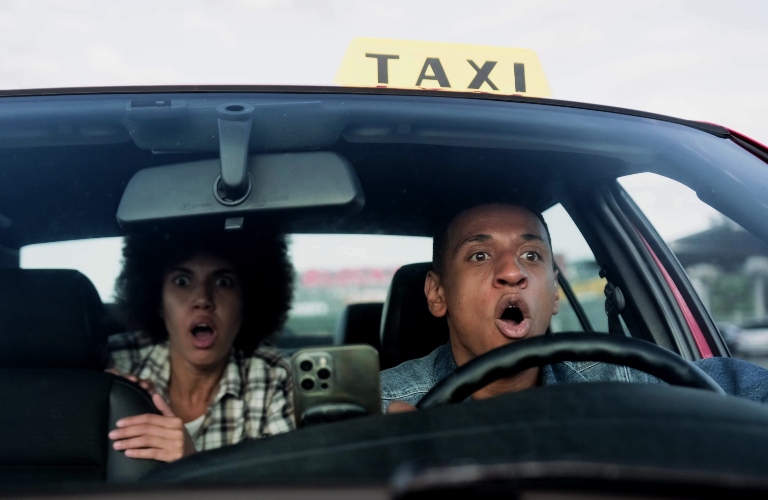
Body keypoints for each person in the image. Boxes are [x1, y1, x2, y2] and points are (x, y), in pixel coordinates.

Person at [381, 203, 768, 413]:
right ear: (436, 294)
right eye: (480, 255)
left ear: (555, 296)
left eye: (531, 255)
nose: (512, 272)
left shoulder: (625, 385)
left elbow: (742, 393)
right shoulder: (382, 407)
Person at [107, 230, 295, 461]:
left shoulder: (277, 378)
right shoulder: (115, 359)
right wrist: (101, 394)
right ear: (158, 302)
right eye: (182, 281)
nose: (203, 299)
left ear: (247, 303)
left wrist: (191, 464)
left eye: (223, 282)